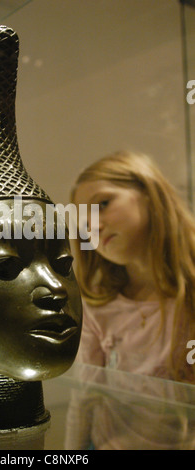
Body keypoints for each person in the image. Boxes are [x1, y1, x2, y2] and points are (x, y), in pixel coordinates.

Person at [65, 150, 195, 450]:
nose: (94, 228)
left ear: (148, 193)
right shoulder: (99, 305)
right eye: (84, 225)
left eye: (103, 204)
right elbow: (83, 399)